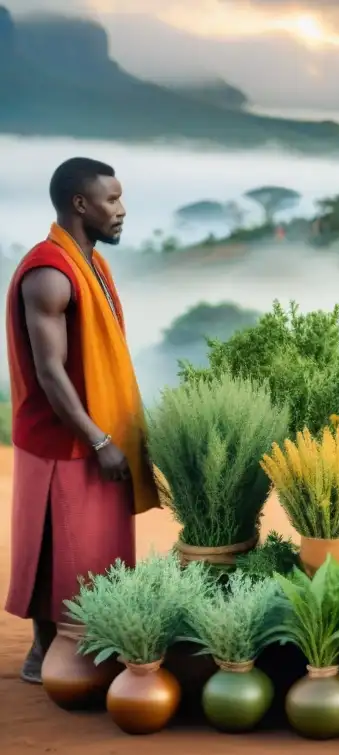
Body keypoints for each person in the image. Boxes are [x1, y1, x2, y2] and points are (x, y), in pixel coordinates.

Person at [4, 157, 158, 684]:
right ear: (79, 205)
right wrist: (98, 440)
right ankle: (50, 656)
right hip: (64, 441)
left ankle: (65, 653)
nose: (120, 210)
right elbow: (50, 373)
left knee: (96, 553)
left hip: (96, 435)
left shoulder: (93, 263)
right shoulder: (50, 272)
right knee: (64, 548)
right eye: (110, 200)